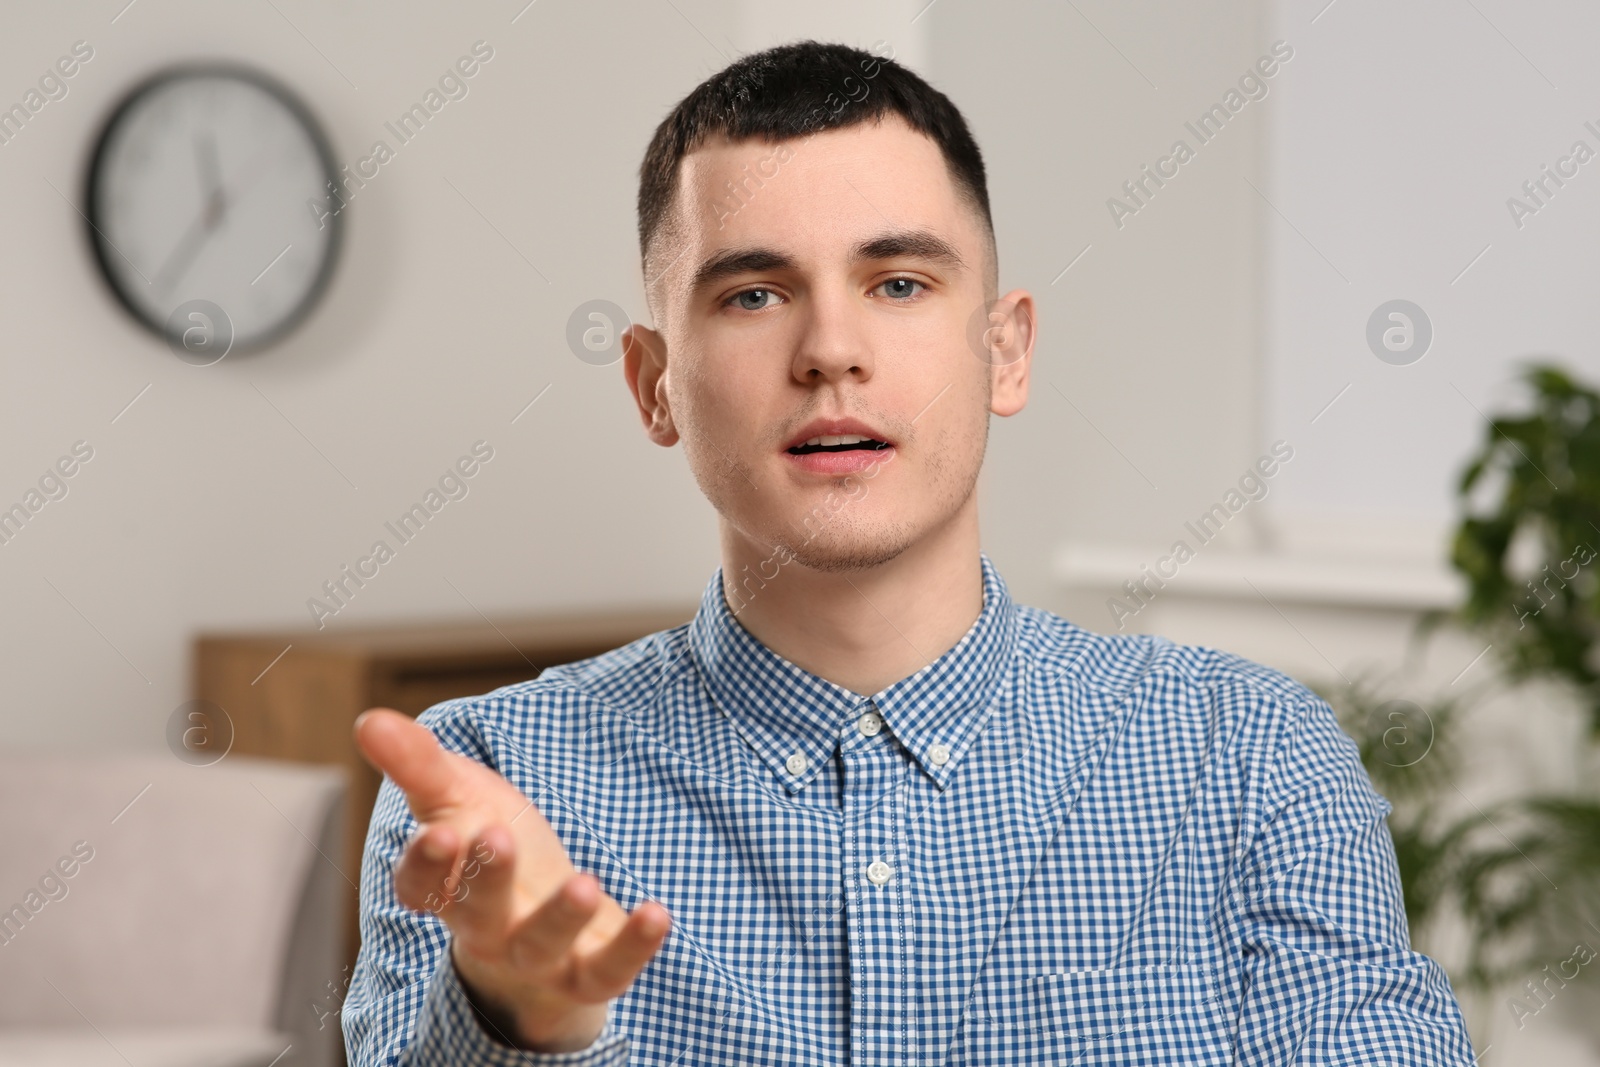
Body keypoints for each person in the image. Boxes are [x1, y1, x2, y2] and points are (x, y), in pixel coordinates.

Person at [340, 39, 1476, 1065]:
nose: (831, 350)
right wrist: (518, 1026)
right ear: (653, 385)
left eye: (897, 283)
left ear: (1006, 350)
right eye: (752, 292)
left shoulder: (1252, 760)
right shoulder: (493, 782)